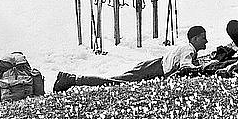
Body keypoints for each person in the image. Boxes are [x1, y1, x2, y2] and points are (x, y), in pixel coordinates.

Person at [53, 26, 208, 92]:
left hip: (153, 67)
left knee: (114, 81)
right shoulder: (188, 50)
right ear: (194, 39)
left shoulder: (189, 50)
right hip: (153, 69)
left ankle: (71, 79)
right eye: (203, 38)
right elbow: (186, 68)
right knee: (113, 82)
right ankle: (71, 79)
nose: (206, 41)